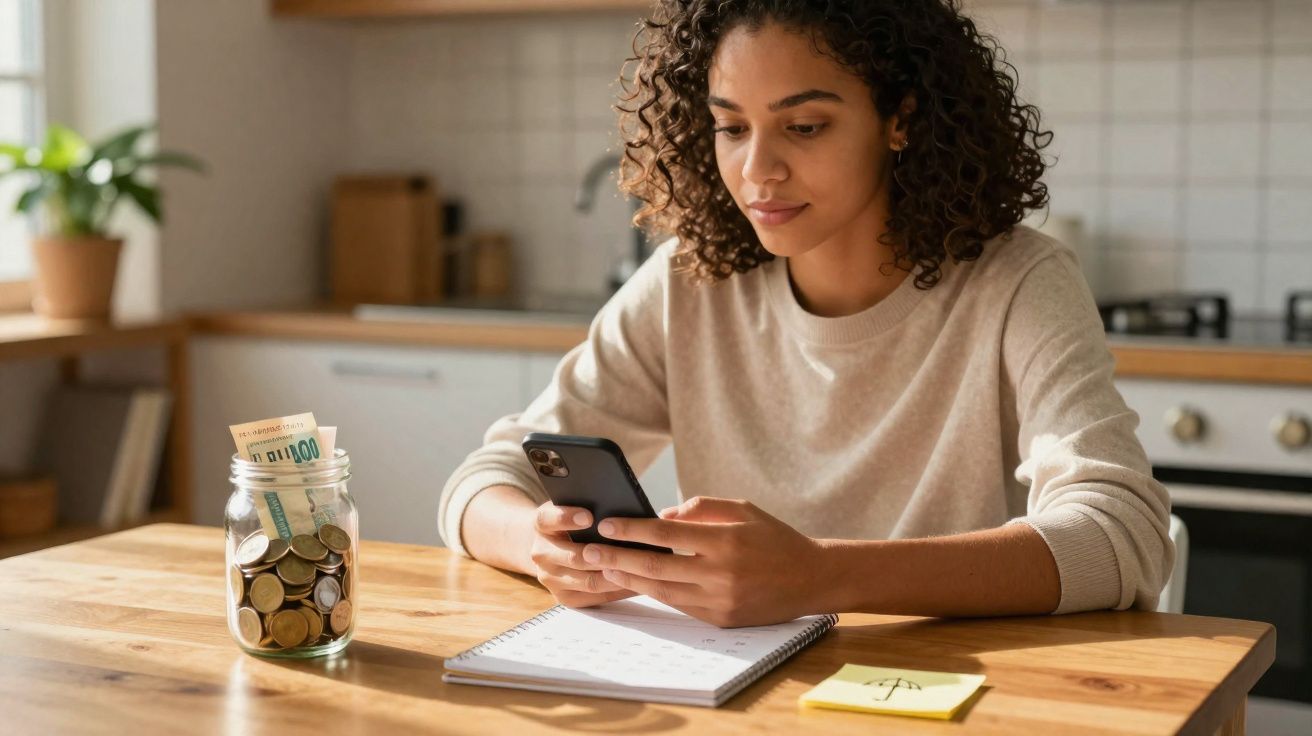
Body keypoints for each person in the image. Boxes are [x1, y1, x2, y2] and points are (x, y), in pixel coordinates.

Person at [438, 0, 1173, 628]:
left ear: (900, 119)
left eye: (806, 126)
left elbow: (1122, 537)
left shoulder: (1018, 282)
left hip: (950, 697)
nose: (758, 169)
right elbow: (485, 480)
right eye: (731, 128)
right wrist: (540, 544)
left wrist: (823, 576)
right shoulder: (688, 284)